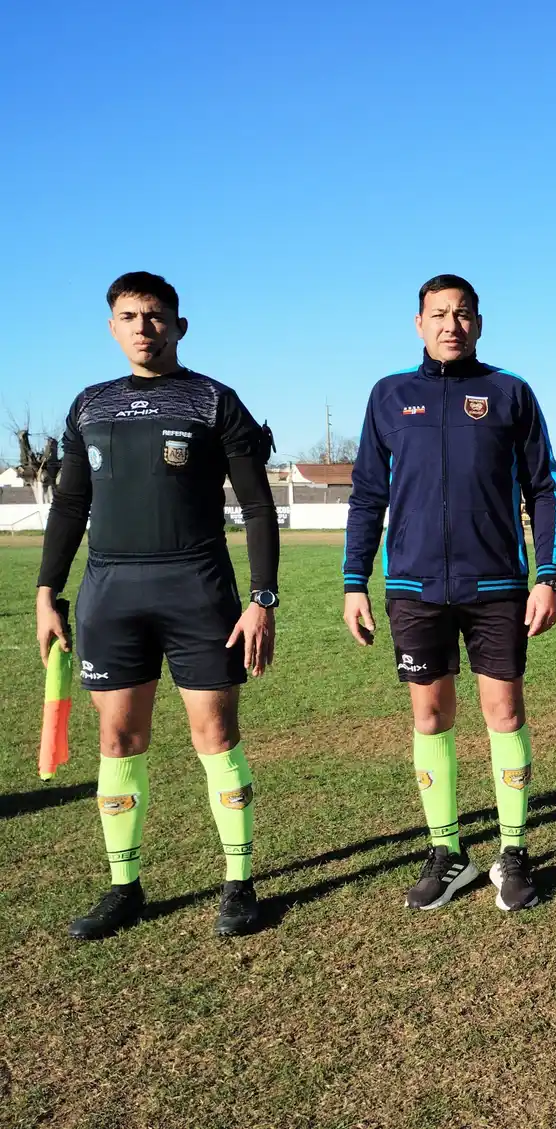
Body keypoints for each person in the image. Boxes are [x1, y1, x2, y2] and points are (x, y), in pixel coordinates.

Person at [36, 271, 279, 940]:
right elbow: (70, 503)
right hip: (109, 594)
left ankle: (238, 881)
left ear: (178, 325)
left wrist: (261, 599)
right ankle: (124, 885)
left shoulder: (212, 400)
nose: (143, 326)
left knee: (216, 737)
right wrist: (45, 590)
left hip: (197, 589)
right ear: (112, 327)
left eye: (155, 315)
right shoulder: (89, 404)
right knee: (118, 740)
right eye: (129, 316)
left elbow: (257, 505)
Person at [342, 274, 556, 913]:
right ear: (418, 323)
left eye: (462, 314)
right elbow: (367, 494)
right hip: (412, 588)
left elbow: (543, 489)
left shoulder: (510, 393)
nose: (451, 325)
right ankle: (448, 852)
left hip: (496, 588)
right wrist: (355, 581)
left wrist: (547, 577)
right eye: (438, 314)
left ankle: (514, 851)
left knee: (504, 715)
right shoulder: (390, 395)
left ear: (479, 322)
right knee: (430, 717)